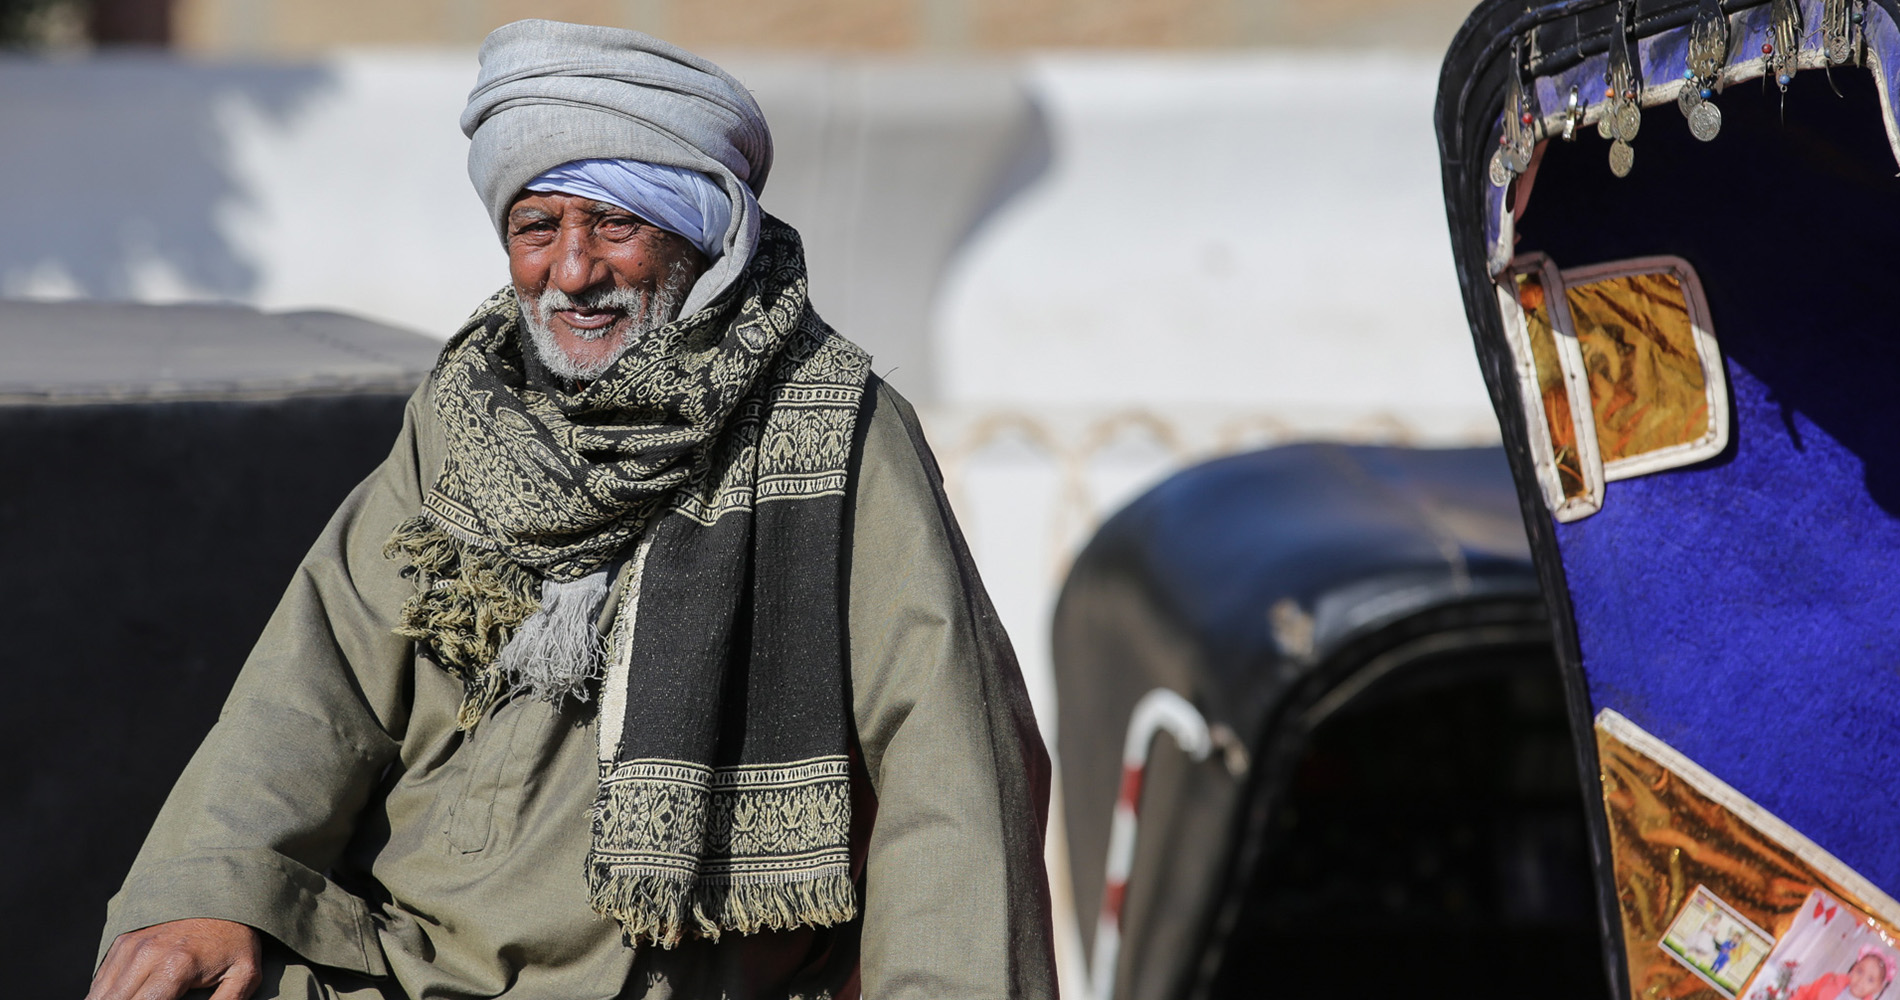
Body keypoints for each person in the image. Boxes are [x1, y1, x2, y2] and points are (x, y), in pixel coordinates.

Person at [84, 19, 1056, 1000]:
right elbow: (315, 682)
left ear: (698, 230)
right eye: (537, 228)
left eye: (615, 224)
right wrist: (212, 889)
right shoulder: (469, 407)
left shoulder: (835, 425)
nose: (574, 271)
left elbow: (948, 755)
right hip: (412, 968)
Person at [1792, 947, 1897, 1000]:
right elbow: (1803, 994)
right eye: (1860, 971)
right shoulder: (1830, 980)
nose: (1861, 981)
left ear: (1877, 988)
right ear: (1853, 969)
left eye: (1870, 980)